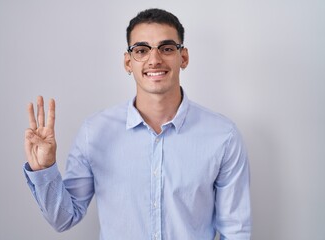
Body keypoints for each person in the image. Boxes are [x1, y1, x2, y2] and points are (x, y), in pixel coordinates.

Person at [24, 8, 251, 240]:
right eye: (141, 50)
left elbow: (235, 231)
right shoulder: (94, 132)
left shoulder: (223, 136)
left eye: (167, 48)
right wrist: (45, 170)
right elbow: (64, 219)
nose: (154, 60)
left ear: (183, 58)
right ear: (127, 62)